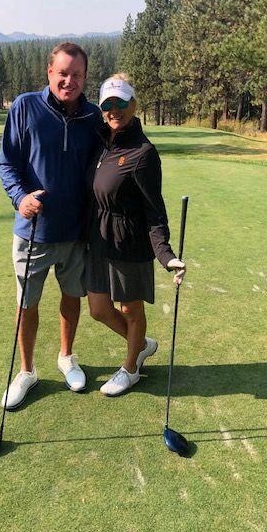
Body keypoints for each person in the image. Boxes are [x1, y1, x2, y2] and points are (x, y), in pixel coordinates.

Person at [0, 42, 102, 409]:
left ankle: (66, 357)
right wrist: (20, 198)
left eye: (77, 75)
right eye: (63, 73)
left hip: (75, 233)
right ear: (49, 72)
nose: (69, 81)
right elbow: (7, 163)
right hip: (33, 233)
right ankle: (27, 371)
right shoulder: (25, 106)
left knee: (71, 297)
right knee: (28, 304)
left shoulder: (93, 116)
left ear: (85, 77)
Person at [85, 74, 186, 396]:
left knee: (131, 309)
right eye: (108, 104)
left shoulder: (143, 153)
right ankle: (141, 345)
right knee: (98, 309)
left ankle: (131, 369)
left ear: (134, 104)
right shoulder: (102, 142)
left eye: (122, 102)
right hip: (99, 241)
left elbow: (154, 210)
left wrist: (166, 255)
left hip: (128, 242)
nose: (115, 110)